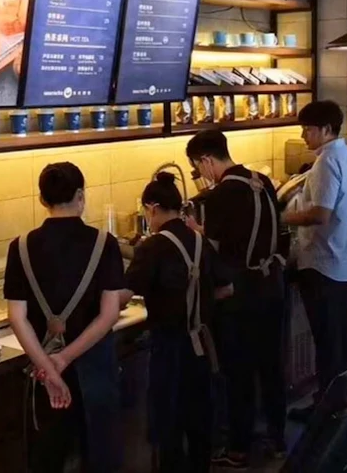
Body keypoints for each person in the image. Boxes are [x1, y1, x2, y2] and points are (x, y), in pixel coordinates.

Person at [4, 162, 124, 473]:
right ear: (81, 196)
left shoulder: (20, 247)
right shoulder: (104, 243)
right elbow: (109, 313)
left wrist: (49, 367)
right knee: (99, 454)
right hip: (94, 369)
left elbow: (17, 318)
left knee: (48, 457)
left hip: (44, 374)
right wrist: (65, 358)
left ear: (42, 200)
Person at [185, 129, 287, 469]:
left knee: (239, 372)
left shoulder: (221, 195)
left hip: (241, 295)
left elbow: (214, 251)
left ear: (206, 160)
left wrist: (195, 233)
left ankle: (239, 449)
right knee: (271, 366)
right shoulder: (261, 181)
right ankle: (277, 438)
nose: (201, 175)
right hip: (272, 285)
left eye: (198, 168)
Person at [121, 172, 232, 473]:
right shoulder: (198, 239)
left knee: (168, 422)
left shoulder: (153, 247)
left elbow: (123, 296)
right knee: (199, 420)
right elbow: (226, 288)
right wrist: (197, 302)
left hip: (169, 347)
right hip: (202, 345)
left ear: (153, 208)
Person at [283, 100, 347, 420]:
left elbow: (320, 214)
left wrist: (284, 217)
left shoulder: (327, 162)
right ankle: (337, 402)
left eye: (308, 129)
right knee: (337, 339)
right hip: (343, 261)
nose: (304, 135)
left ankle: (326, 410)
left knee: (327, 342)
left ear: (327, 129)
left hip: (322, 263)